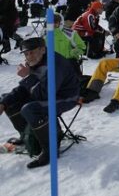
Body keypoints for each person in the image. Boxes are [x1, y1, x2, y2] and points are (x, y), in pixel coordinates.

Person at [0, 37, 80, 168]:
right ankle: (26, 136)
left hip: (66, 97)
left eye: (32, 52)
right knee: (8, 100)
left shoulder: (55, 63)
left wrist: (27, 76)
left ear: (43, 49)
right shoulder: (37, 60)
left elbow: (45, 94)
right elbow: (25, 89)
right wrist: (3, 103)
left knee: (30, 109)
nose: (28, 56)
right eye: (26, 53)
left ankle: (51, 151)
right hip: (47, 94)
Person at [52, 12, 86, 77]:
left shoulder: (70, 33)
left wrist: (72, 53)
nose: (53, 25)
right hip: (52, 64)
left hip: (68, 62)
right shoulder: (44, 35)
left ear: (61, 22)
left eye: (56, 22)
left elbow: (82, 47)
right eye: (51, 22)